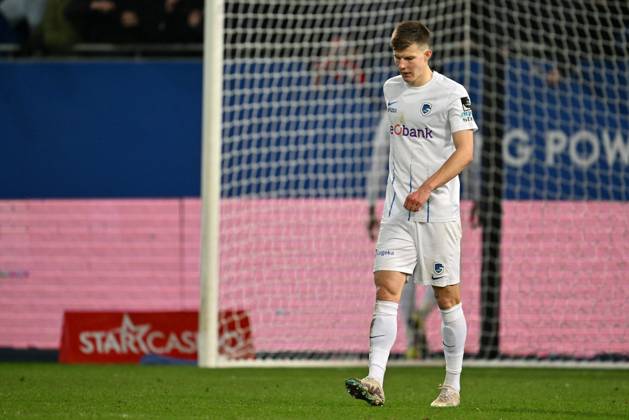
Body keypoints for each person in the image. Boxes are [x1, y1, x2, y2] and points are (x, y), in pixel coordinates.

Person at [345, 20, 477, 408]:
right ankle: (375, 379)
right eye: (397, 57)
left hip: (438, 213)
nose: (402, 65)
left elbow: (465, 152)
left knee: (446, 297)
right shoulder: (390, 90)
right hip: (397, 213)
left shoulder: (452, 94)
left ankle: (451, 386)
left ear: (427, 55)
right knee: (386, 288)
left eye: (408, 57)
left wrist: (426, 188)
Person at [366, 111, 437, 360]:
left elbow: (377, 160)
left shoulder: (394, 113)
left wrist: (372, 204)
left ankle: (412, 336)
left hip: (402, 204)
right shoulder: (446, 106)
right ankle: (419, 320)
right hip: (434, 202)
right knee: (442, 271)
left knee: (402, 273)